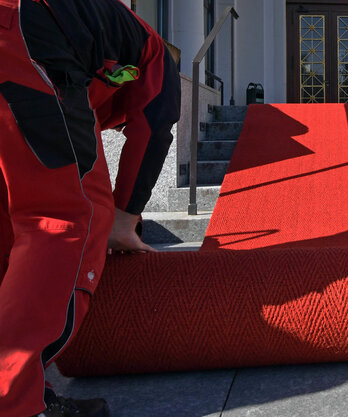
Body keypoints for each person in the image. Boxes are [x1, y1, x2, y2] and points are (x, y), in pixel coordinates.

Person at [0, 0, 180, 415]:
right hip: (24, 32)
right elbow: (152, 132)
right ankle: (13, 403)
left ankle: (27, 387)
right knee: (65, 217)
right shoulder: (154, 56)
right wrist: (124, 218)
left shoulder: (98, 30)